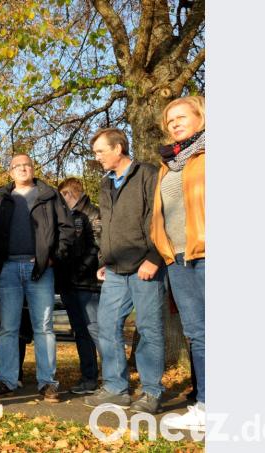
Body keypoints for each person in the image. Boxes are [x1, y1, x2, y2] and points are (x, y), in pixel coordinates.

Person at [83, 128, 167, 414]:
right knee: (107, 327)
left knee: (149, 329)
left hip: (146, 266)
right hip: (115, 270)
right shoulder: (106, 183)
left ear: (118, 148)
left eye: (100, 151)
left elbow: (159, 217)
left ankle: (152, 391)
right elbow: (106, 226)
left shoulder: (148, 174)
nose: (97, 157)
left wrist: (154, 257)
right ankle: (116, 389)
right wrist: (104, 259)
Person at [0, 154, 74, 402]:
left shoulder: (49, 195)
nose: (22, 169)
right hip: (8, 270)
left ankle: (48, 383)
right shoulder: (1, 197)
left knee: (44, 328)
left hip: (39, 269)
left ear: (33, 169)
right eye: (17, 166)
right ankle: (7, 380)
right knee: (8, 329)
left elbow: (67, 229)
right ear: (10, 172)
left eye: (26, 165)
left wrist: (53, 258)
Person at [151, 96, 206, 432]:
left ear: (201, 117)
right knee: (197, 333)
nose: (174, 124)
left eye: (181, 117)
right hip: (178, 258)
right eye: (170, 121)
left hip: (207, 252)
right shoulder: (168, 164)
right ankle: (205, 406)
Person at [56, 177, 102, 395]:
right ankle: (89, 378)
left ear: (69, 194)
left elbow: (97, 247)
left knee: (95, 330)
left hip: (88, 283)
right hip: (70, 282)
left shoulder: (93, 214)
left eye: (62, 196)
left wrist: (82, 270)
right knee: (81, 332)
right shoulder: (67, 216)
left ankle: (112, 380)